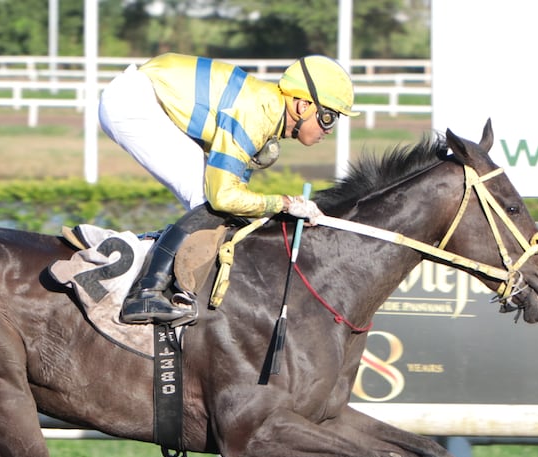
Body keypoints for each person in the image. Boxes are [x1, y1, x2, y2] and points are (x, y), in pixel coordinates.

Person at [99, 53, 359, 325]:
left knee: (222, 207)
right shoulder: (257, 113)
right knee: (208, 199)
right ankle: (145, 293)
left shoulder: (266, 111)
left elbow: (240, 199)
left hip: (142, 95)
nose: (329, 129)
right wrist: (283, 203)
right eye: (328, 117)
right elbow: (223, 197)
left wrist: (275, 210)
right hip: (133, 103)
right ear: (302, 105)